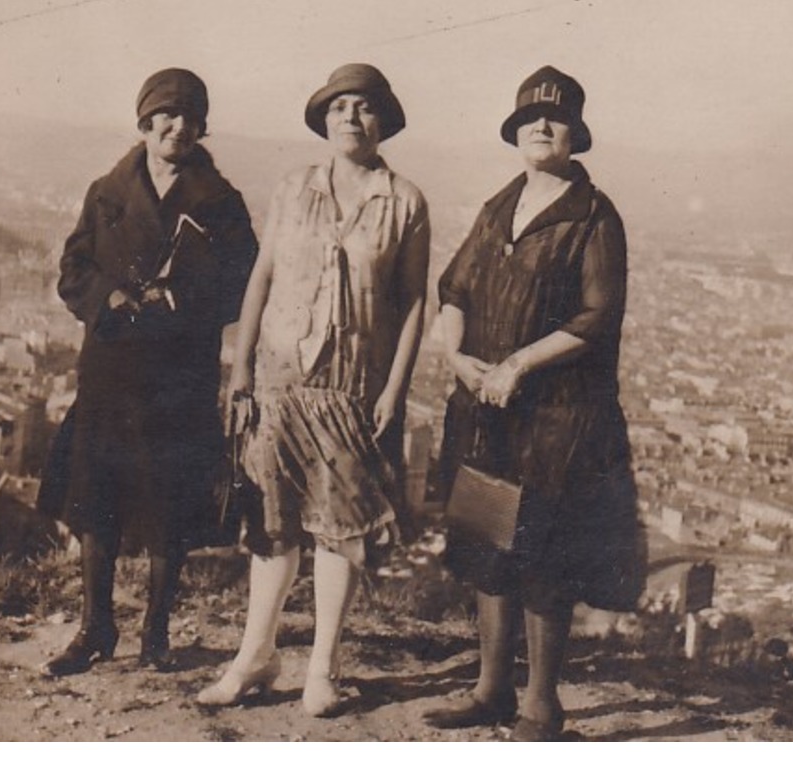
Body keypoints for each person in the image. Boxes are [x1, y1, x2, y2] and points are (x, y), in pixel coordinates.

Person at [196, 64, 430, 717]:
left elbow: (413, 303)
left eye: (364, 107)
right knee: (272, 524)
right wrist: (240, 365)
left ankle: (322, 667)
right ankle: (254, 657)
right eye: (339, 107)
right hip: (279, 374)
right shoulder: (293, 188)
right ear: (323, 120)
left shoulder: (405, 202)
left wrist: (394, 387)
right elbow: (262, 274)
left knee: (340, 528)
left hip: (350, 384)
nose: (351, 118)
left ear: (383, 119)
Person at [423, 66, 645, 741]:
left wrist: (519, 361)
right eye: (529, 118)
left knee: (547, 554)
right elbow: (455, 286)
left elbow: (597, 315)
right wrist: (456, 357)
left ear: (575, 134)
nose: (541, 126)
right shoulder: (499, 206)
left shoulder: (593, 216)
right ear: (515, 131)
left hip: (560, 416)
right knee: (490, 541)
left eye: (554, 118)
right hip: (490, 407)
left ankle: (540, 706)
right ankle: (491, 688)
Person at [40, 68, 258, 675]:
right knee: (96, 502)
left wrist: (183, 300)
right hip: (110, 369)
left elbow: (245, 284)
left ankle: (156, 633)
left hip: (178, 375)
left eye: (190, 117)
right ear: (145, 121)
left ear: (202, 128)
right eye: (166, 114)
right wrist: (109, 297)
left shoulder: (222, 204)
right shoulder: (107, 192)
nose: (178, 126)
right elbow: (73, 270)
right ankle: (95, 629)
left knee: (170, 506)